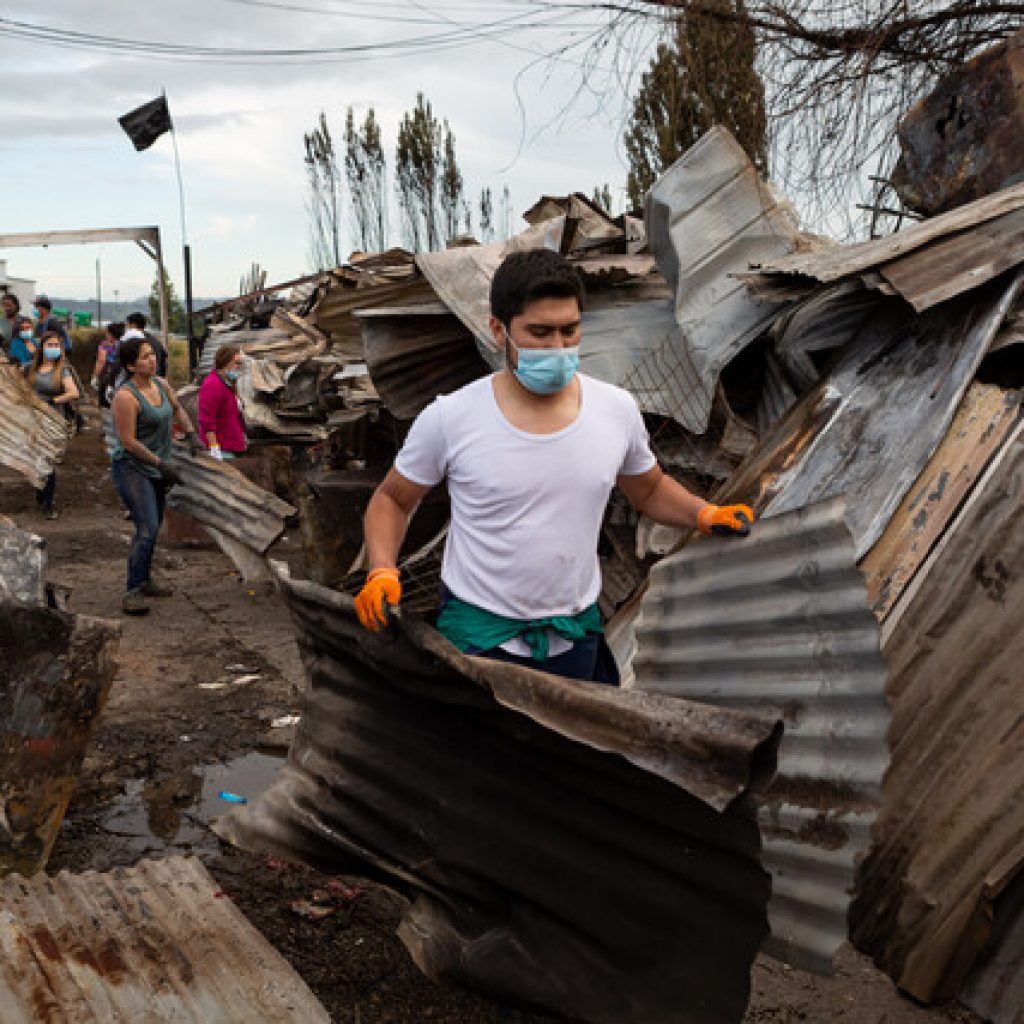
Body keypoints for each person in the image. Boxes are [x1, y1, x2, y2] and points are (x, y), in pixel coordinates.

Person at [355, 249, 755, 684]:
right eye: (539, 333)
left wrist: (702, 514)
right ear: (497, 331)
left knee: (573, 751)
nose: (558, 347)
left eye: (569, 331)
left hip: (574, 635)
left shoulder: (615, 410)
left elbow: (650, 489)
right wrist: (380, 569)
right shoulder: (451, 418)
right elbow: (393, 499)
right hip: (478, 639)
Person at [110, 336, 197, 616]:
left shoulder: (162, 384)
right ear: (130, 365)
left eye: (152, 355)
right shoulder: (125, 397)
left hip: (159, 465)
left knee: (154, 526)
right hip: (132, 467)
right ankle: (132, 591)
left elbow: (177, 409)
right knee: (146, 527)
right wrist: (161, 464)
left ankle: (145, 579)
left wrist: (192, 434)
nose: (152, 360)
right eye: (145, 356)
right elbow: (129, 442)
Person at [25, 331, 79, 519]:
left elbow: (73, 392)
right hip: (34, 419)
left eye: (57, 345)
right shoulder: (31, 368)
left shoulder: (62, 370)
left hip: (54, 420)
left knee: (48, 460)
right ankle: (40, 494)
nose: (54, 348)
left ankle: (48, 502)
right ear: (42, 347)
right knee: (36, 459)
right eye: (50, 345)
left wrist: (53, 400)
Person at [197, 345, 247, 459]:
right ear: (225, 362)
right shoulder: (212, 384)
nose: (239, 367)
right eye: (237, 363)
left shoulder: (228, 384)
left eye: (240, 364)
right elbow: (207, 420)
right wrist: (214, 447)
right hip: (222, 448)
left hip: (231, 445)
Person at [91, 321, 125, 408]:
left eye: (107, 332)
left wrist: (95, 376)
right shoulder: (124, 344)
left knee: (105, 403)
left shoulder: (105, 345)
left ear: (110, 334)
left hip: (107, 375)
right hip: (120, 376)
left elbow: (101, 361)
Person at [124, 311, 168, 377]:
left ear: (133, 325)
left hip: (143, 381)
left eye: (127, 325)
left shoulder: (136, 343)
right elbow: (164, 363)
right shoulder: (155, 341)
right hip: (156, 381)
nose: (126, 329)